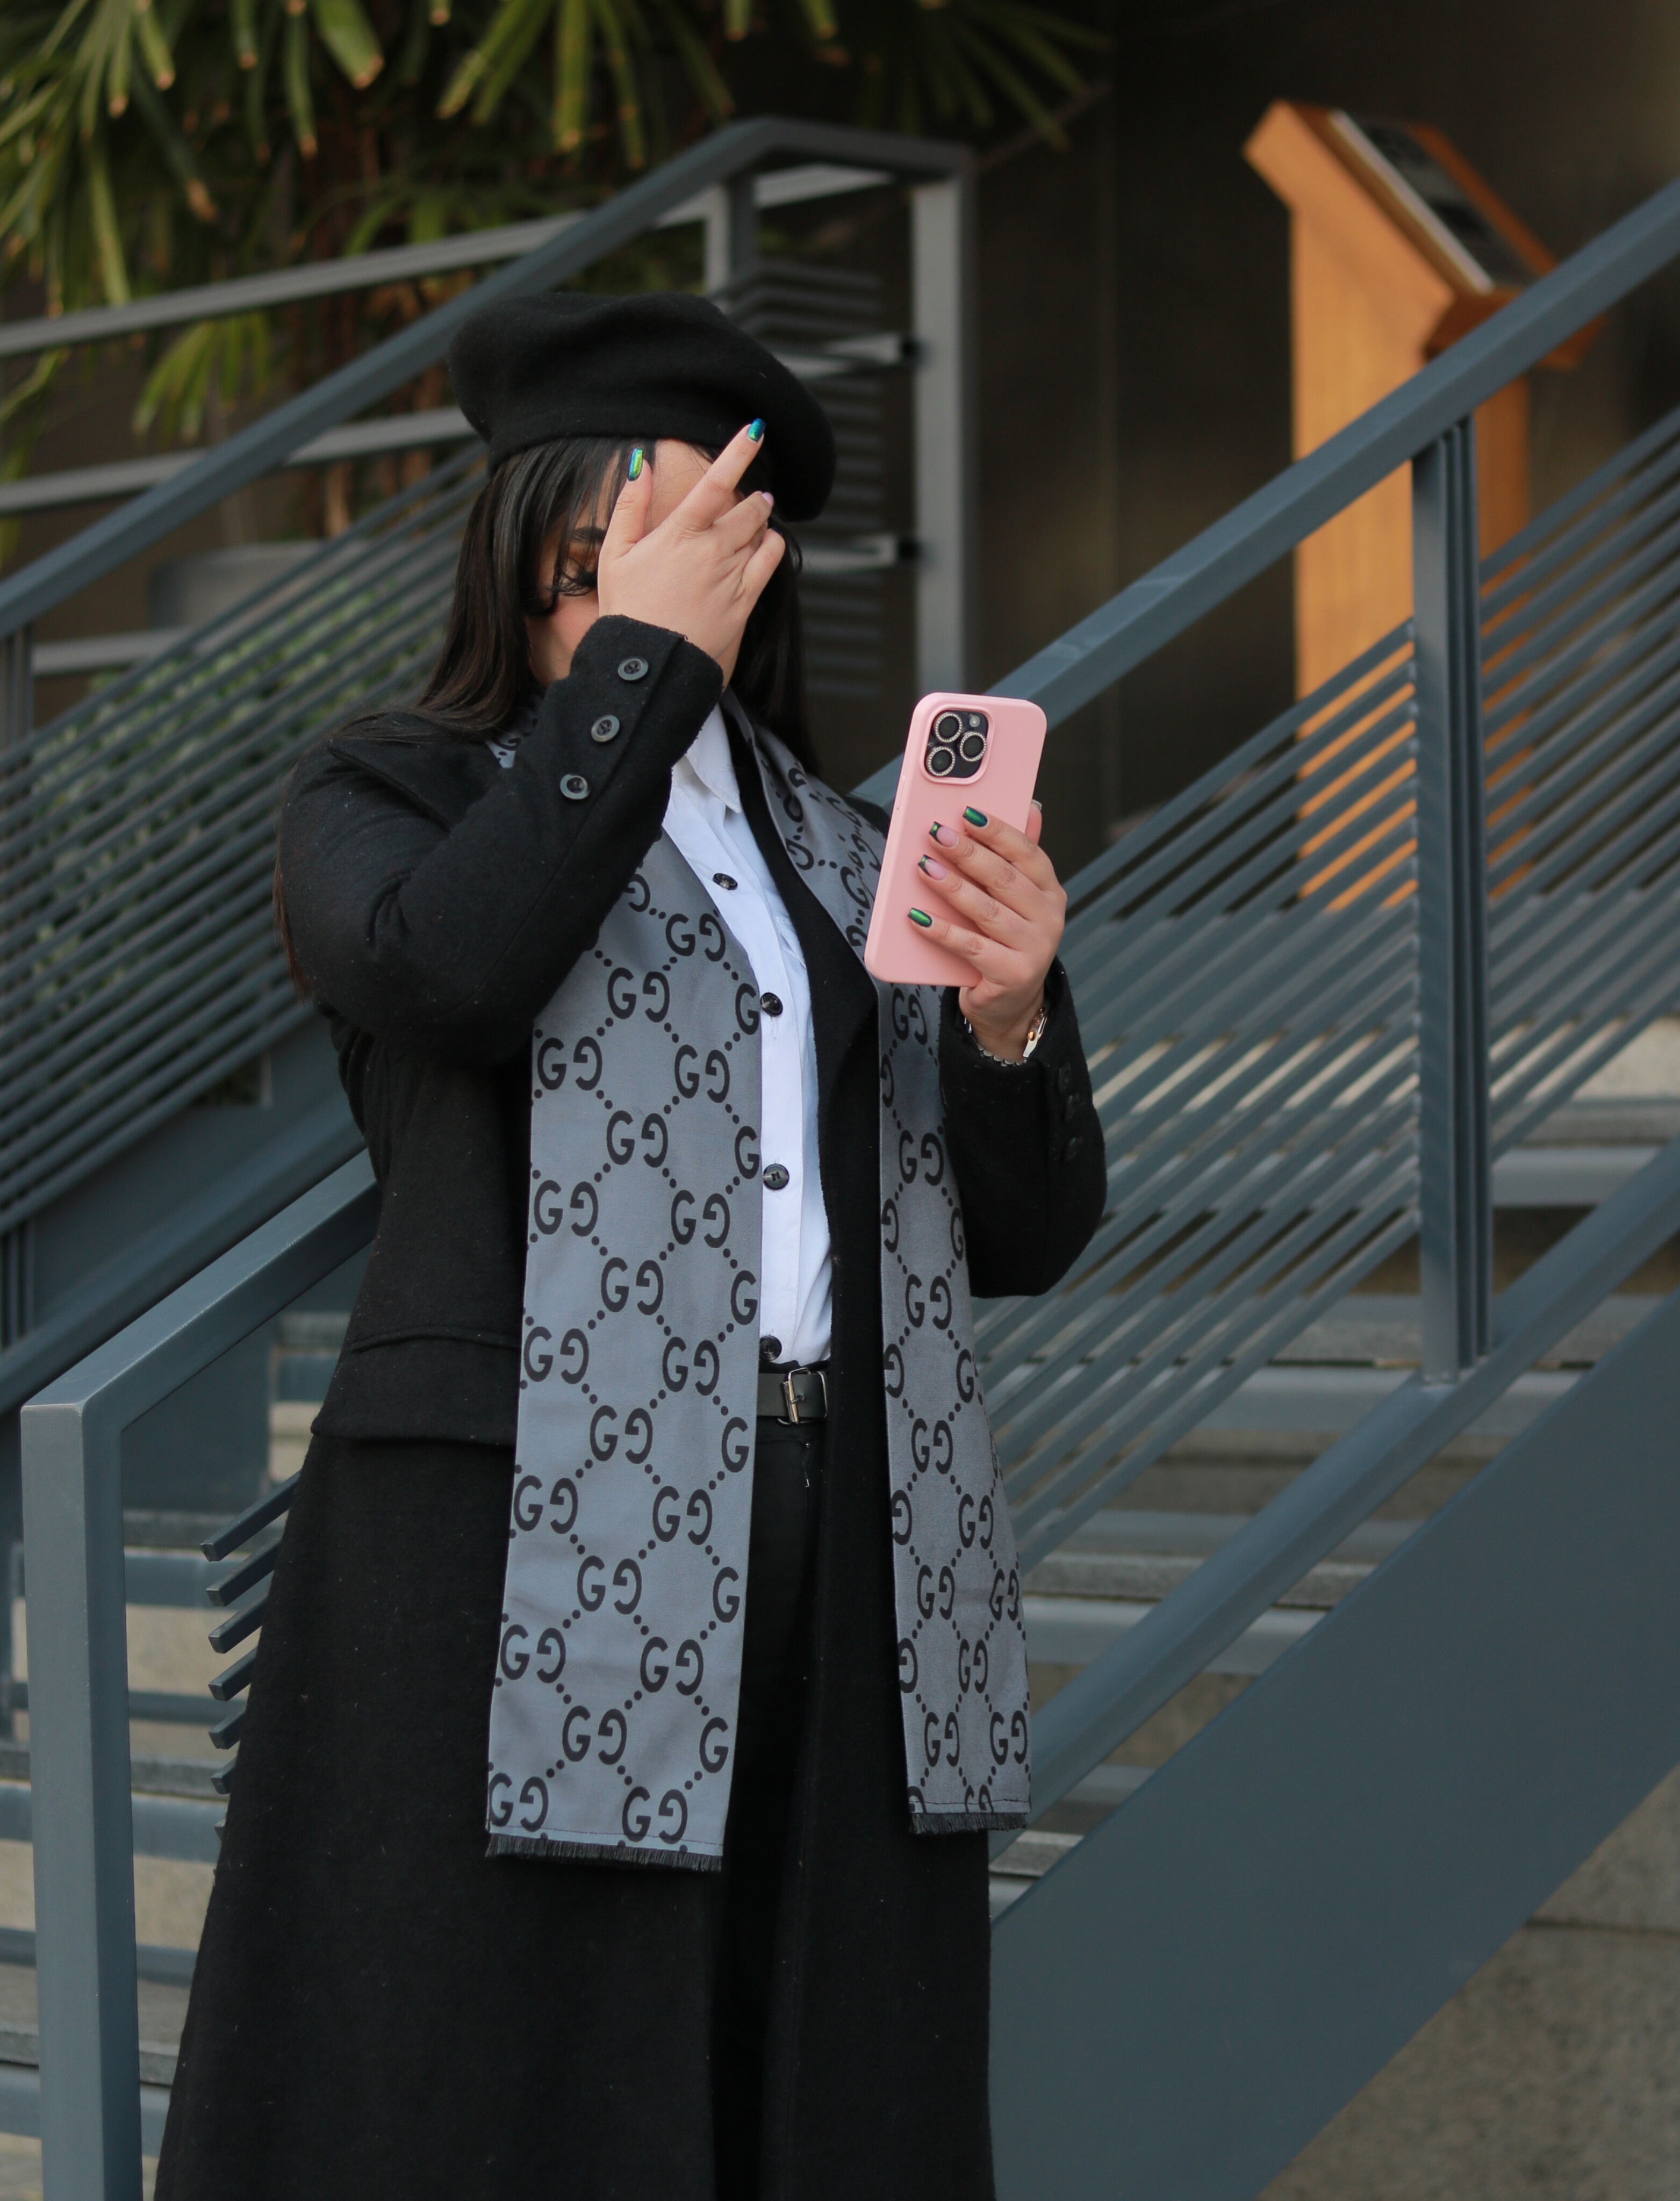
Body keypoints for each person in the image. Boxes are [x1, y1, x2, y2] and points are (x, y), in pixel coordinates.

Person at [155, 291, 1105, 2201]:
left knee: (815, 2076)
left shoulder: (851, 850)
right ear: (525, 558)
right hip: (512, 1542)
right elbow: (451, 970)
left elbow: (1019, 1230)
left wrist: (1011, 1016)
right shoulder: (390, 793)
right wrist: (639, 677)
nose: (638, 591)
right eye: (602, 557)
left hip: (847, 1532)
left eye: (688, 554)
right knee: (506, 2094)